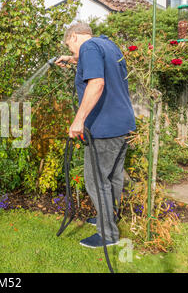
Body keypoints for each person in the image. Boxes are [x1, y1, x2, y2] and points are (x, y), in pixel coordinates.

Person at [55, 22, 136, 248]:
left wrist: (78, 120)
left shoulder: (89, 47)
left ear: (75, 37)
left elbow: (97, 83)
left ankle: (108, 234)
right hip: (124, 125)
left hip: (104, 128)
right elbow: (102, 68)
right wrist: (72, 60)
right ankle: (108, 218)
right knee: (113, 177)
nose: (72, 52)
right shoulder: (108, 45)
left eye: (71, 48)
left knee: (96, 181)